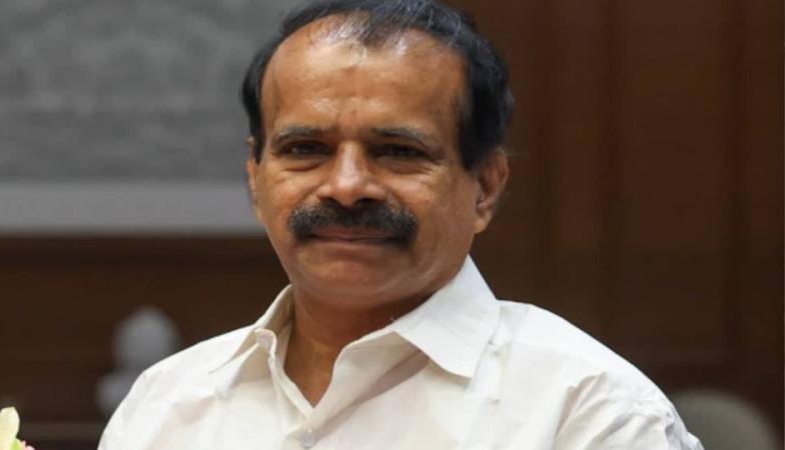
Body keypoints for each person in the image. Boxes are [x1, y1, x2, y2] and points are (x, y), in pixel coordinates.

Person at [98, 1, 703, 448]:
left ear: (485, 187)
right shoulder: (169, 403)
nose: (347, 186)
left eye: (398, 151)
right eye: (305, 149)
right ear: (256, 179)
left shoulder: (587, 412)